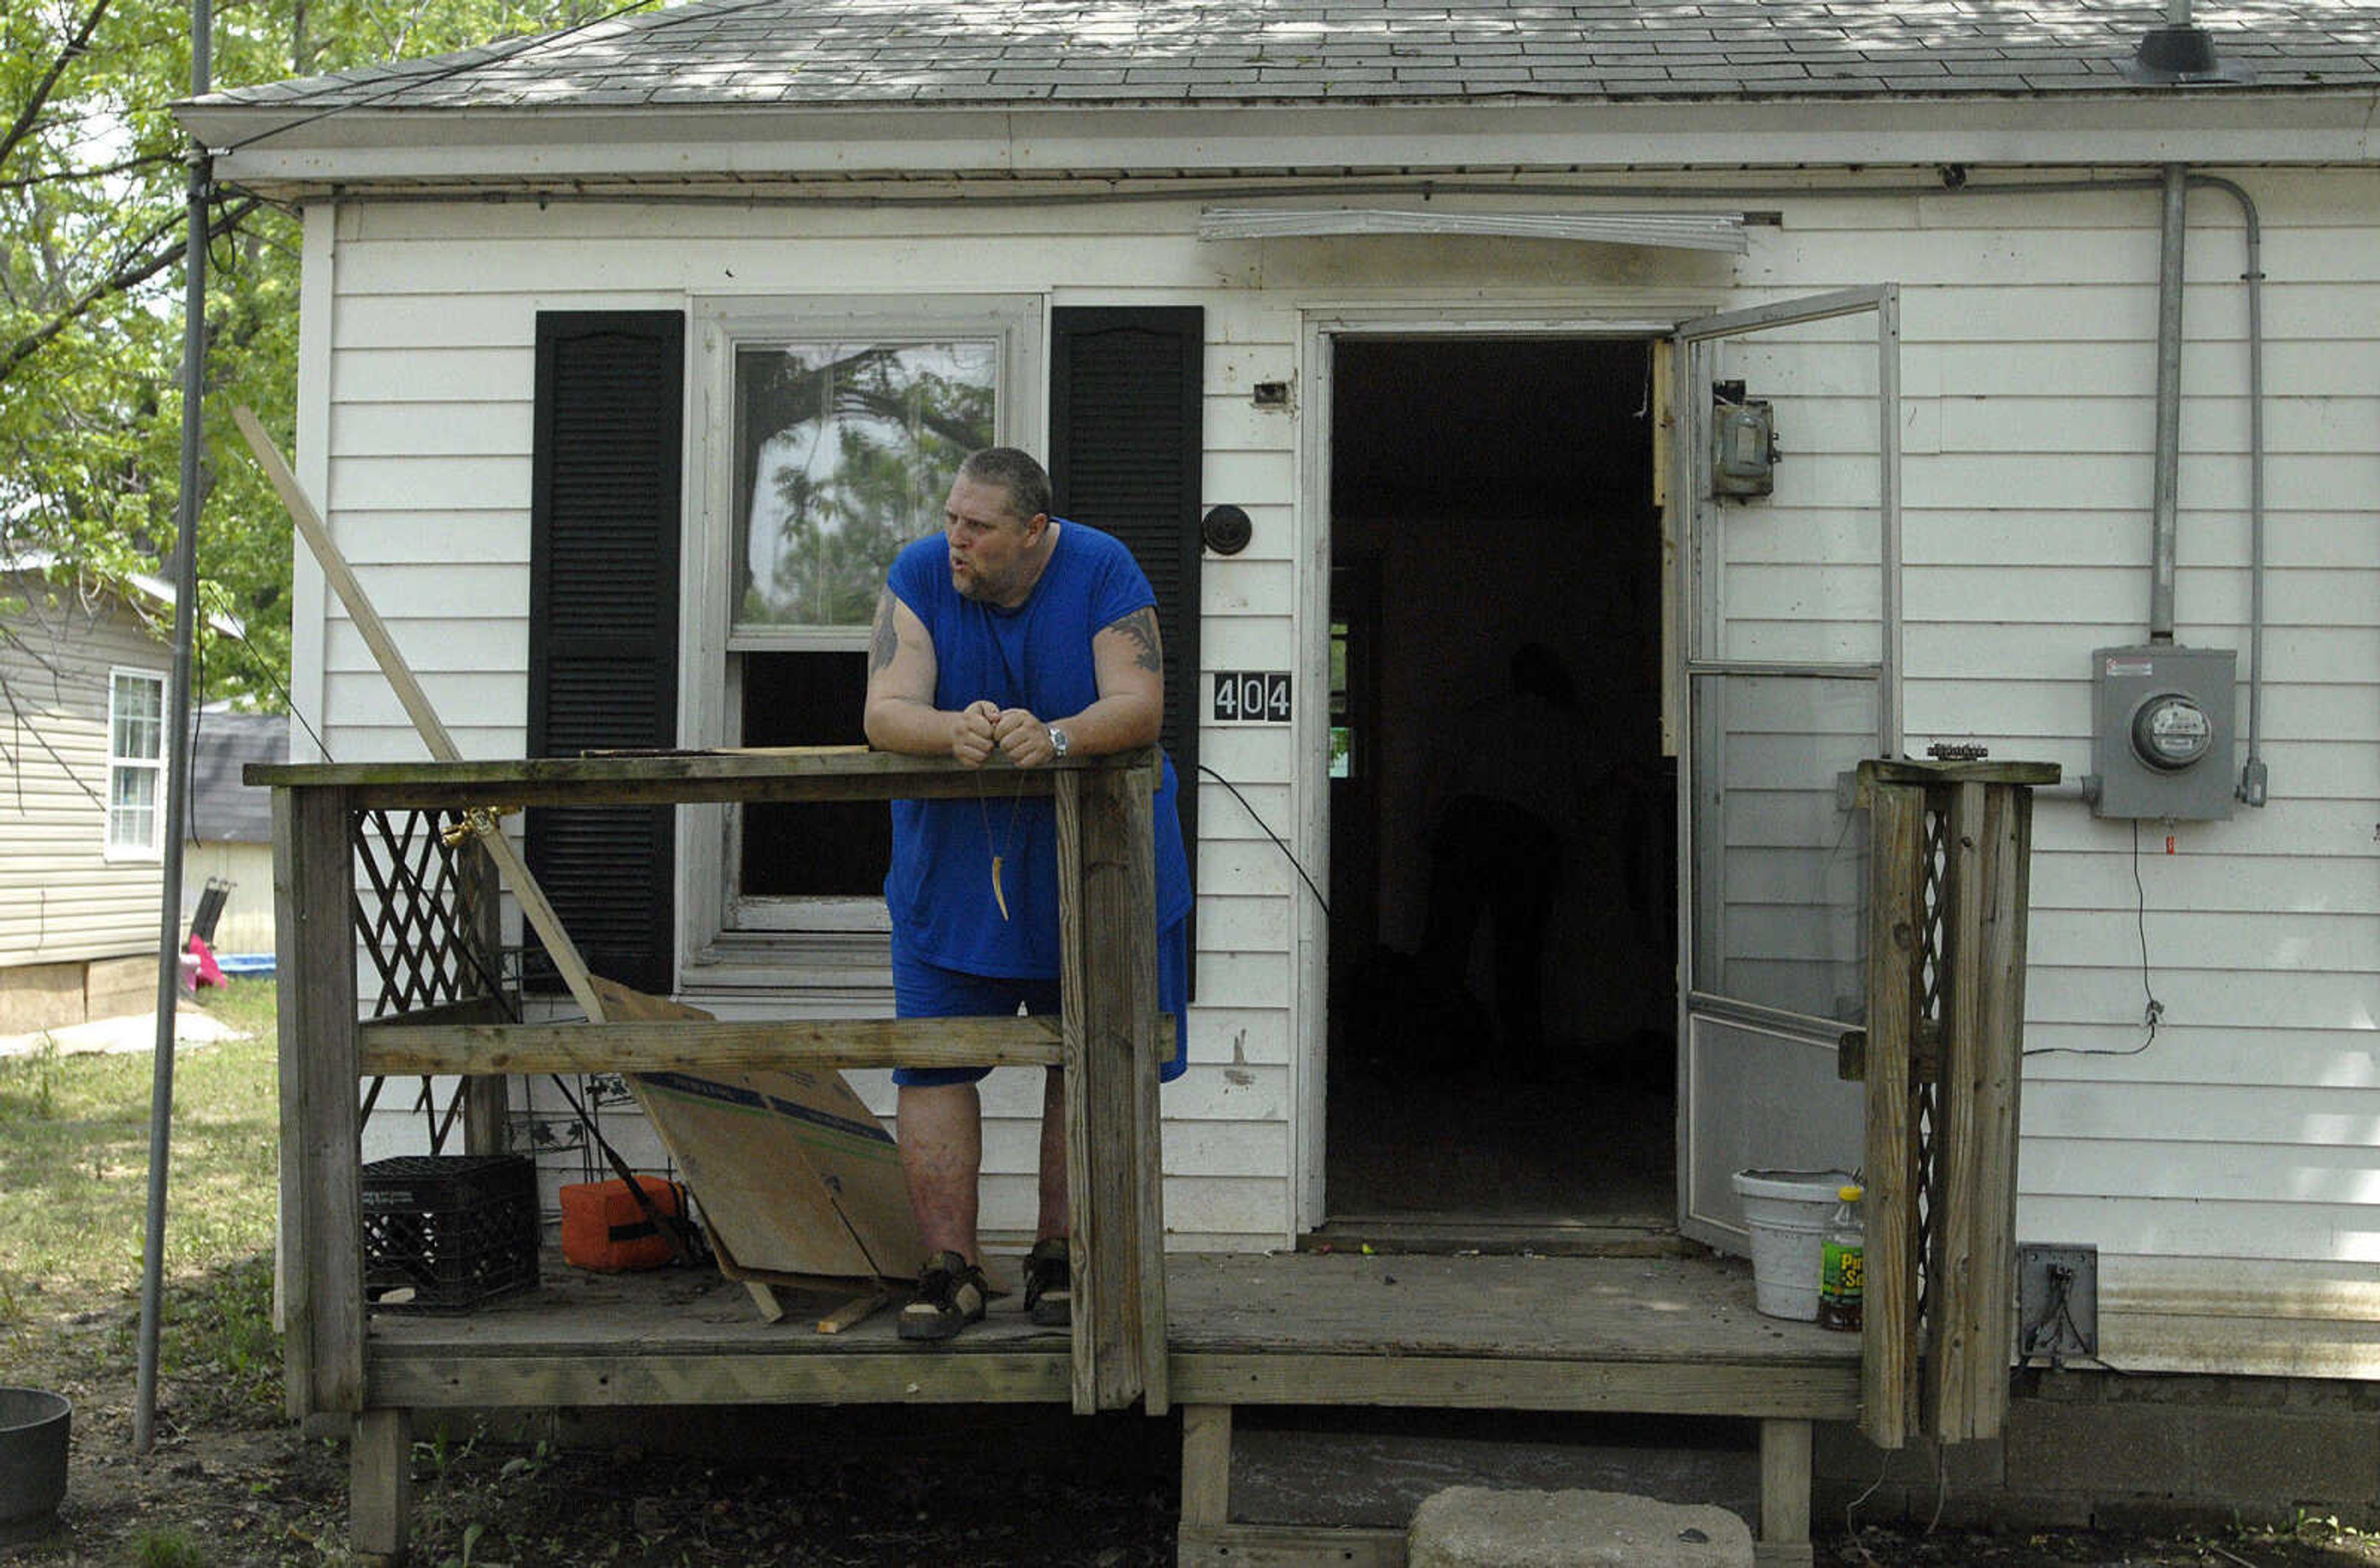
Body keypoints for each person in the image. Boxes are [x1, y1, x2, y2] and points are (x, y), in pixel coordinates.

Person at [863, 446, 1193, 1342]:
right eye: (951, 518)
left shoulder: (1102, 566)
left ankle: (1063, 1254)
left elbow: (1137, 703)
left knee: (1083, 1054)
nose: (955, 539)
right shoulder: (921, 572)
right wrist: (950, 730)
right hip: (952, 876)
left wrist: (1054, 736)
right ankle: (950, 1266)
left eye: (978, 526)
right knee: (933, 1059)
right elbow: (886, 709)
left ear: (1035, 532)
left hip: (1097, 868)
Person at [1418, 641, 1600, 1072]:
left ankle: (1430, 1045)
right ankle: (1522, 1053)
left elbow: (1444, 774)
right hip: (1528, 836)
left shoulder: (1481, 717)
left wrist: (1428, 825)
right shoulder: (1565, 725)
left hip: (1469, 825)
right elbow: (1598, 778)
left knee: (1447, 942)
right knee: (1519, 950)